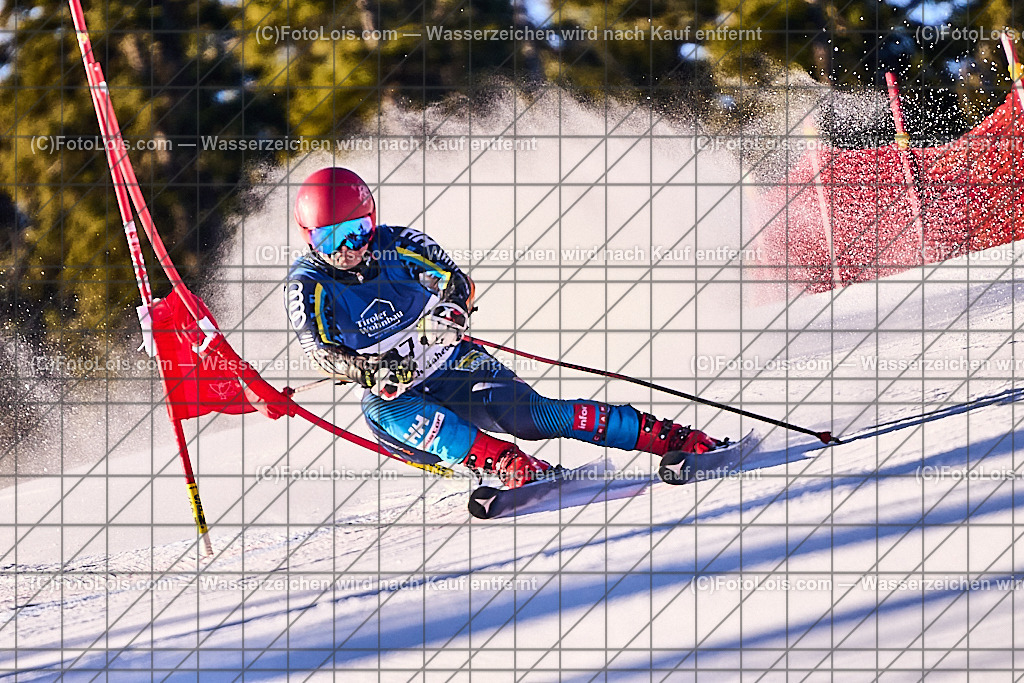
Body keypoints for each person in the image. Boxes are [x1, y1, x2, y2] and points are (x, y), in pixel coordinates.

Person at [285, 167, 721, 488]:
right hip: (402, 396)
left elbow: (455, 280)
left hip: (452, 362)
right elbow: (319, 349)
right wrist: (368, 370)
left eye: (357, 232)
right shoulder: (308, 284)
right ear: (308, 238)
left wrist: (452, 312)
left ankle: (670, 438)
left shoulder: (397, 245)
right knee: (380, 408)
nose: (347, 249)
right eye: (329, 239)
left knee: (529, 416)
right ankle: (509, 465)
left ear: (372, 220)